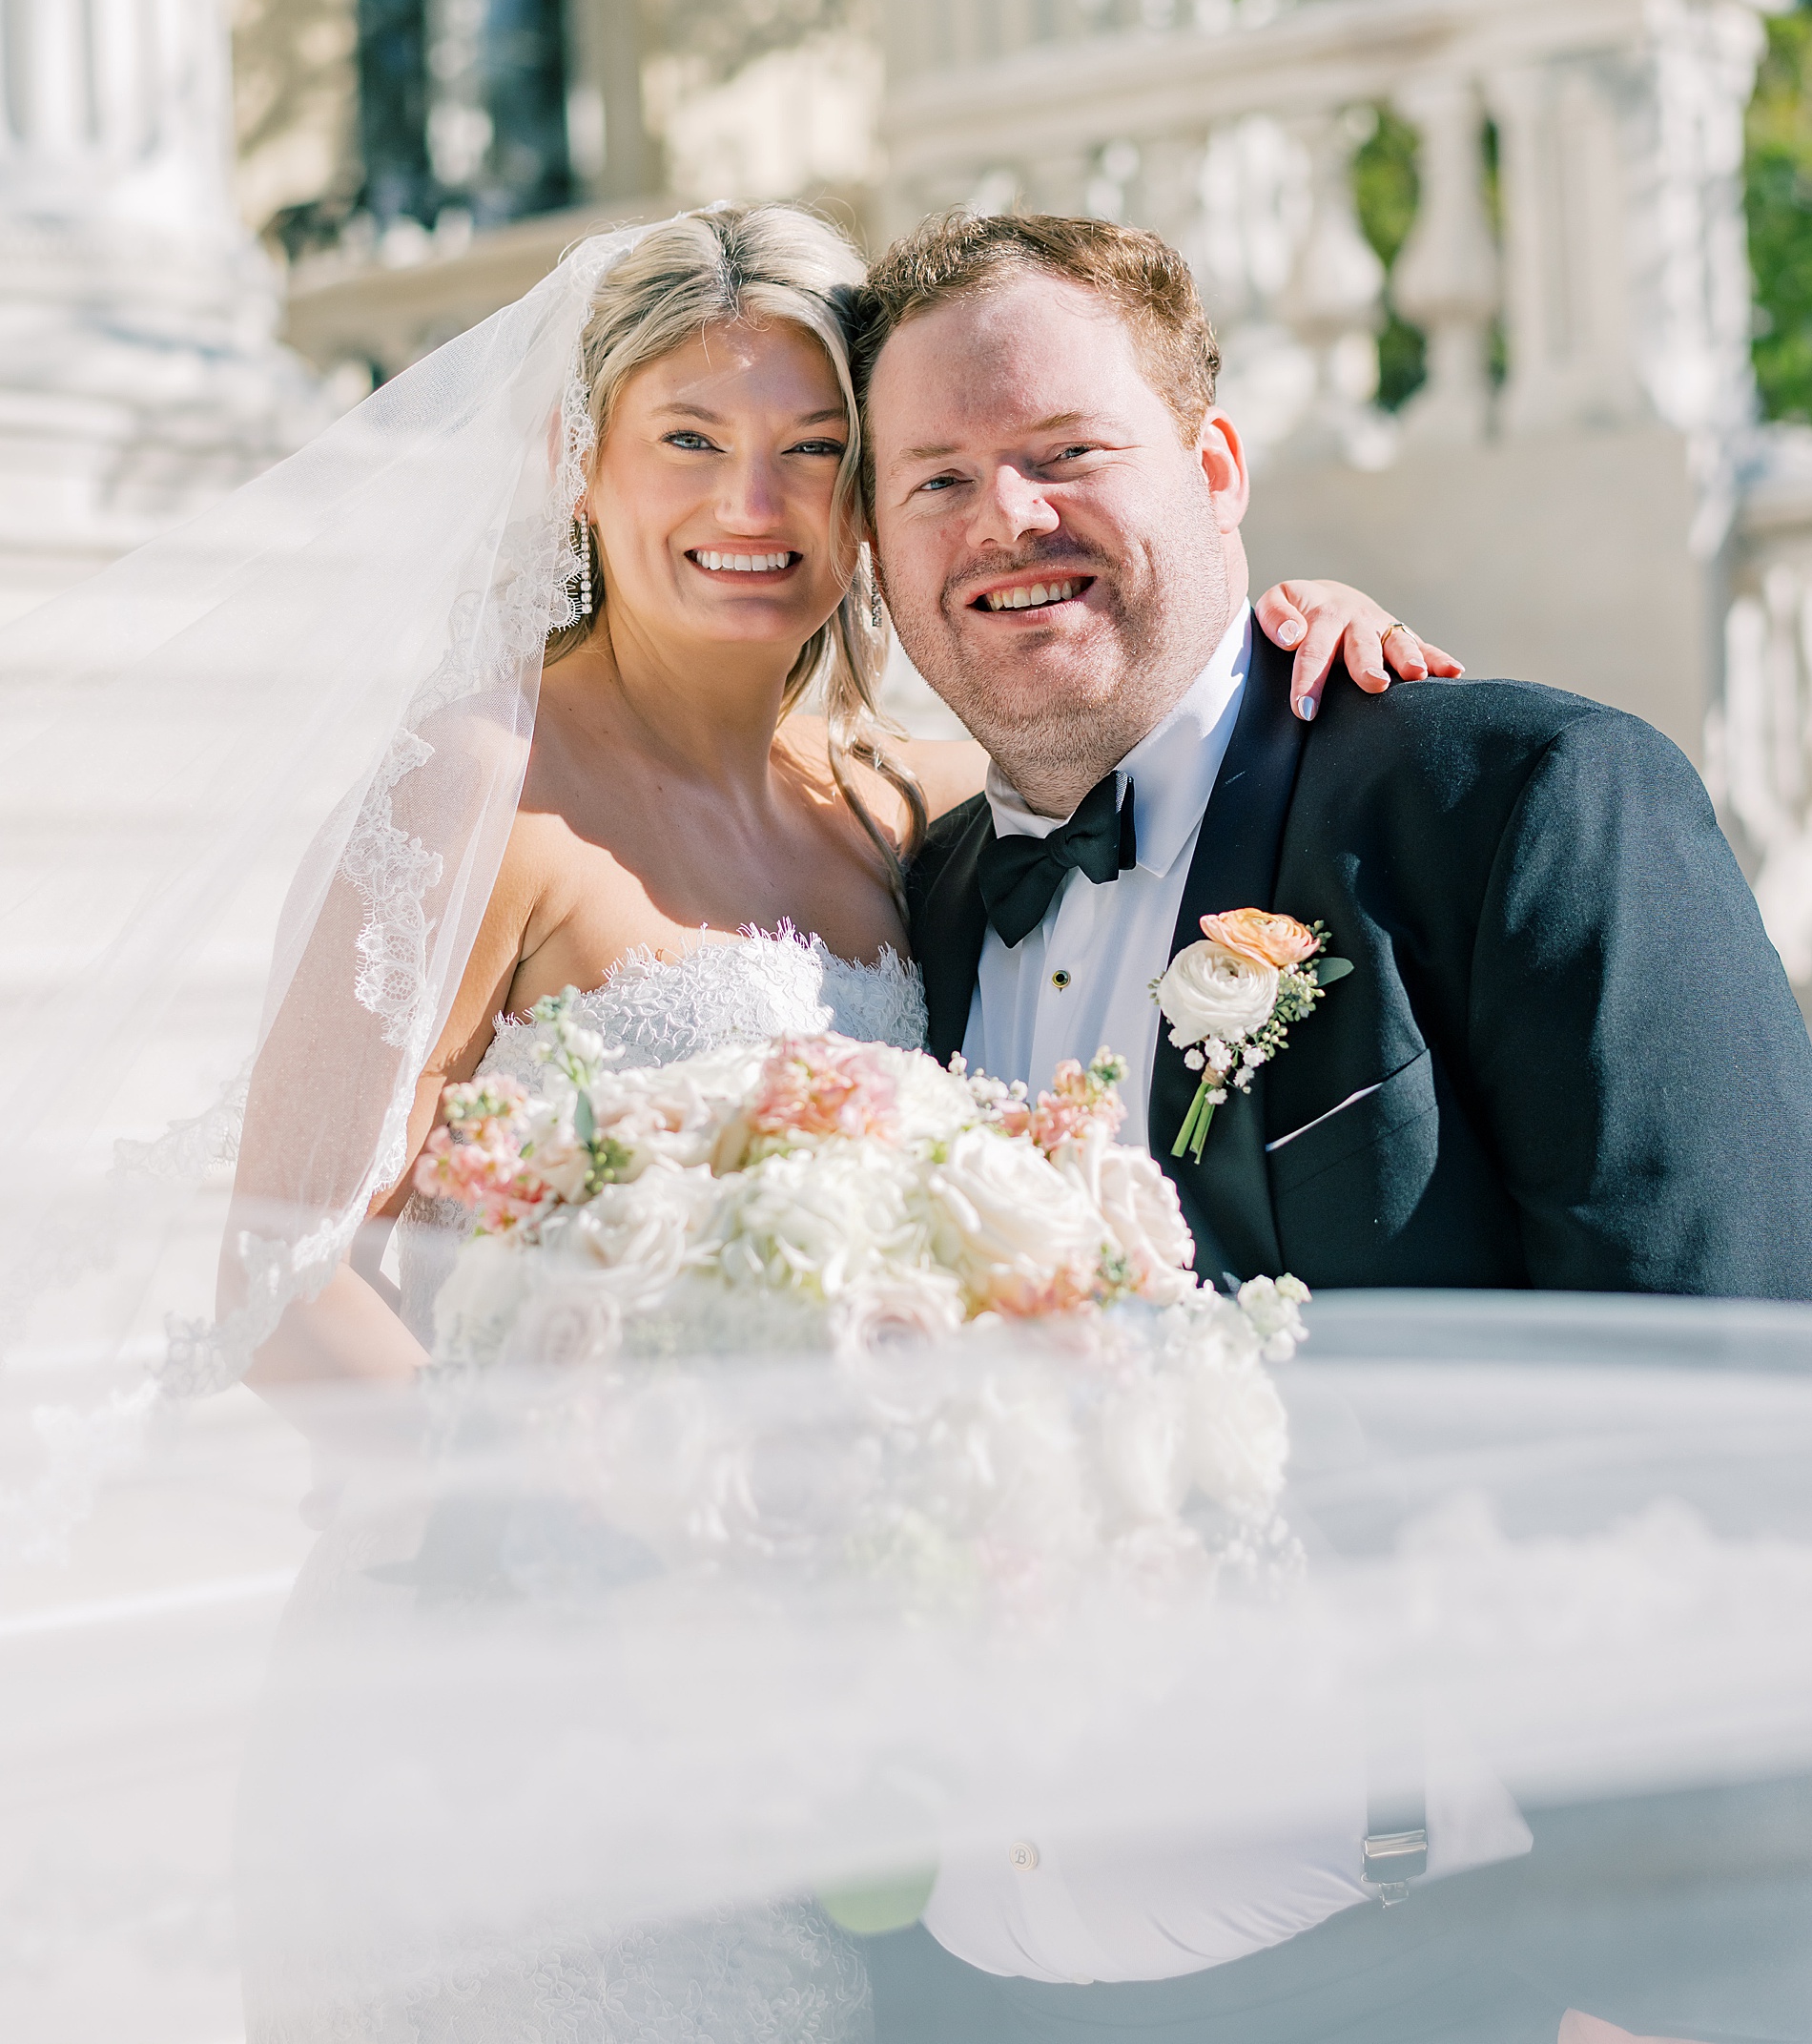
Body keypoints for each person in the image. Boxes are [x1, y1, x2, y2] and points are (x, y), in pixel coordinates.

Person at [216, 205, 1452, 1399]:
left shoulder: (913, 803)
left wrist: (1307, 632)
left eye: (813, 448)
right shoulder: (475, 789)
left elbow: (1167, 737)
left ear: (864, 498)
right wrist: (558, 1513)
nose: (752, 505)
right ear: (578, 463)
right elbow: (282, 1284)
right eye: (690, 440)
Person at [864, 209, 1812, 1300]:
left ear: (1215, 471)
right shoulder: (907, 909)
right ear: (876, 550)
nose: (1008, 517)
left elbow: (1727, 1356)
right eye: (937, 480)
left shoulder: (1529, 803)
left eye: (1067, 449)